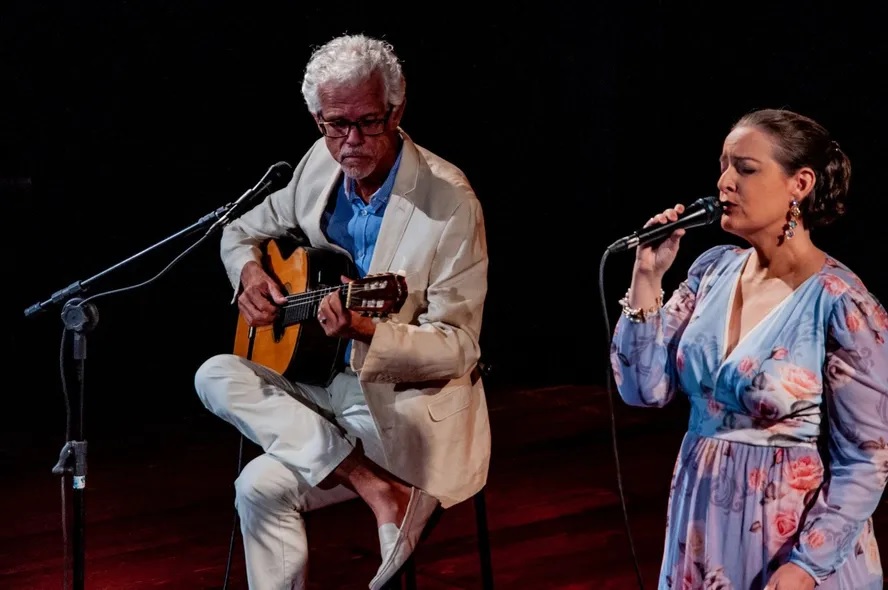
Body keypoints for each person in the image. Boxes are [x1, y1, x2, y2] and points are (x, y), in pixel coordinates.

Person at [194, 33, 490, 590]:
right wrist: (250, 274)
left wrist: (368, 332)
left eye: (368, 123)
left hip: (403, 408)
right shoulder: (318, 167)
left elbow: (459, 346)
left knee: (257, 485)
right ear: (317, 119)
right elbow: (238, 232)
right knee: (213, 373)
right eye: (335, 125)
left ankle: (397, 490)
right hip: (323, 392)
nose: (351, 141)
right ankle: (382, 491)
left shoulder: (449, 200)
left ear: (396, 110)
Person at [610, 108, 887, 589]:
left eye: (745, 168)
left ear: (799, 184)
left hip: (788, 543)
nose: (724, 182)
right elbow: (643, 390)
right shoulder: (711, 271)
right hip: (700, 527)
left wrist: (806, 565)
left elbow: (867, 458)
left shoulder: (841, 303)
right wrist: (647, 277)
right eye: (723, 165)